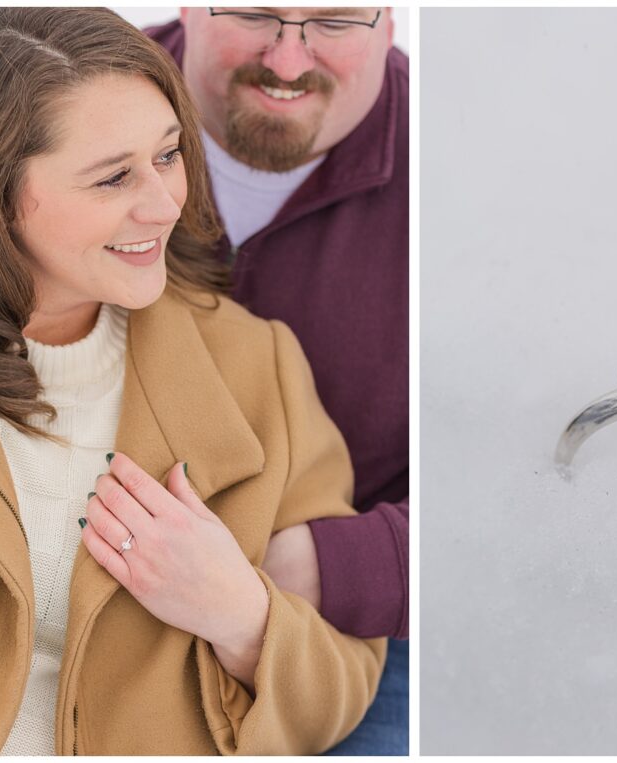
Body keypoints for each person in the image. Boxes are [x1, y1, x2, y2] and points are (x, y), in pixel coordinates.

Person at [0, 7, 384, 755]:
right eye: (113, 177)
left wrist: (243, 616)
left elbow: (342, 689)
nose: (166, 205)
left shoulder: (257, 365)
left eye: (168, 155)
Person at [147, 10, 409, 753]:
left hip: (348, 612)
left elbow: (519, 473)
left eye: (332, 21)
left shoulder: (461, 167)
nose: (289, 61)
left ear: (389, 22)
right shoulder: (59, 105)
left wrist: (336, 566)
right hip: (92, 573)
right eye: (257, 13)